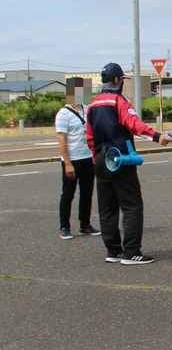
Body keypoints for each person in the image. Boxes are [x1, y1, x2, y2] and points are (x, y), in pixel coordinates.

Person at [86, 63, 172, 265]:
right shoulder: (119, 101)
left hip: (100, 158)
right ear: (117, 80)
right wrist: (157, 136)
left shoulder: (93, 104)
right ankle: (132, 252)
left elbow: (89, 136)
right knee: (132, 205)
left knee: (107, 208)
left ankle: (113, 250)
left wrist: (96, 157)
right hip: (120, 158)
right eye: (122, 79)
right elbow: (134, 124)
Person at [55, 84, 99, 240]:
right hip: (72, 160)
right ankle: (64, 227)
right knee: (68, 194)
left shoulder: (87, 109)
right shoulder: (63, 114)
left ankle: (85, 225)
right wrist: (67, 163)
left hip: (88, 158)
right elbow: (62, 140)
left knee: (87, 194)